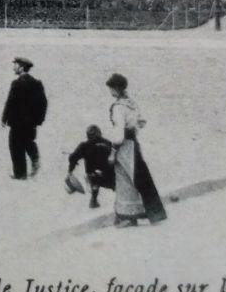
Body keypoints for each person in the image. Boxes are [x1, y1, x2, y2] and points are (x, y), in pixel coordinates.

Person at [105, 73, 166, 226]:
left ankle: (130, 216)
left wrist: (113, 152)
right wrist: (132, 129)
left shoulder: (118, 107)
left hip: (124, 146)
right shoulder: (131, 103)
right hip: (134, 143)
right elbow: (141, 121)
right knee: (138, 176)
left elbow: (118, 134)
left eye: (111, 88)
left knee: (128, 179)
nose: (110, 91)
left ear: (116, 88)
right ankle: (150, 213)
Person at [1, 57, 48, 180]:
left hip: (16, 123)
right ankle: (35, 159)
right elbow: (43, 103)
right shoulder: (37, 83)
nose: (14, 67)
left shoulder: (16, 83)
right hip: (31, 124)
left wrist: (4, 118)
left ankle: (20, 174)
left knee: (15, 147)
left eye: (15, 65)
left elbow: (10, 102)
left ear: (21, 67)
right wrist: (39, 120)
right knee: (28, 142)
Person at [65, 124, 115, 208]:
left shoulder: (84, 146)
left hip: (93, 176)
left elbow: (72, 158)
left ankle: (94, 199)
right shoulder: (108, 143)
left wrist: (70, 171)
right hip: (109, 175)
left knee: (94, 177)